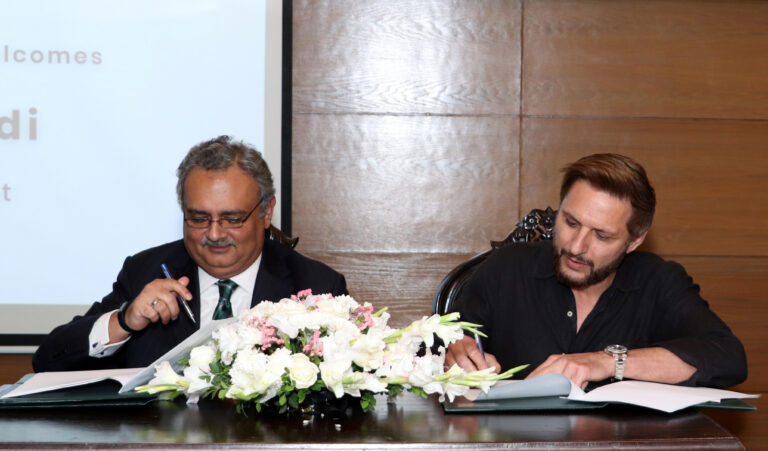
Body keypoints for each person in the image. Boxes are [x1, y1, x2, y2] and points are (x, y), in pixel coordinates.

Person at [33, 136, 347, 371]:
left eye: (232, 219)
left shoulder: (315, 287)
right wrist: (125, 321)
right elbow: (47, 360)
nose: (214, 234)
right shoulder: (147, 271)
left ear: (266, 212)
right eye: (198, 218)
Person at [445, 153, 747, 389]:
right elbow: (439, 344)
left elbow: (726, 357)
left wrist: (607, 362)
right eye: (570, 223)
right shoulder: (507, 268)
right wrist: (453, 353)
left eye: (601, 236)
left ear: (634, 241)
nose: (576, 247)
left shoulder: (658, 281)